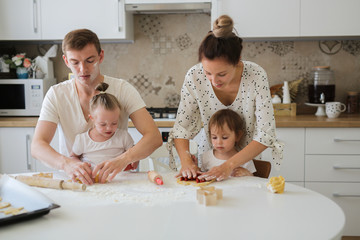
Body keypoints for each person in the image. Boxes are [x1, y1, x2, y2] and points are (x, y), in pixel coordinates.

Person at [31, 29, 162, 185]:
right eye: (75, 62)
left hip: (118, 181)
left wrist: (124, 159)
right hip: (75, 180)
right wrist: (67, 164)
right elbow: (37, 146)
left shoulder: (122, 89)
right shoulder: (56, 94)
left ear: (101, 56)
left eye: (89, 60)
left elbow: (154, 137)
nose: (83, 69)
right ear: (66, 61)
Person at [168, 15, 283, 181]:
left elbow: (266, 134)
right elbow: (181, 128)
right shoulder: (194, 76)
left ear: (237, 62)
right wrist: (186, 161)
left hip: (245, 164)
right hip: (209, 163)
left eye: (222, 74)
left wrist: (228, 166)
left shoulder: (256, 75)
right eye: (208, 73)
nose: (214, 81)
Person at [71, 82, 136, 173]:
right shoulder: (82, 140)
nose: (109, 128)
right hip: (92, 181)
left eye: (114, 123)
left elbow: (134, 154)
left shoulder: (123, 137)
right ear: (92, 118)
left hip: (119, 180)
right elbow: (73, 157)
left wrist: (134, 161)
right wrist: (79, 165)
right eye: (103, 124)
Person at [200, 109, 255, 177]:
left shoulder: (245, 159)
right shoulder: (206, 157)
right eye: (214, 137)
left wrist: (247, 174)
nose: (219, 142)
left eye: (224, 137)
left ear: (237, 136)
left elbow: (253, 182)